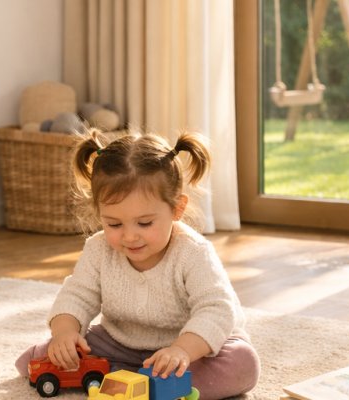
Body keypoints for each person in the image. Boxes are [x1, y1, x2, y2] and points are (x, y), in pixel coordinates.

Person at [15, 130, 260, 399]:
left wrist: (182, 350)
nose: (130, 236)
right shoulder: (98, 249)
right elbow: (77, 295)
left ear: (176, 209)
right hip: (119, 343)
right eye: (114, 224)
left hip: (190, 347)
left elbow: (216, 310)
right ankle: (141, 382)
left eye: (145, 223)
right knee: (39, 358)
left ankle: (133, 380)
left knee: (242, 363)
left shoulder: (194, 253)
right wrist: (64, 333)